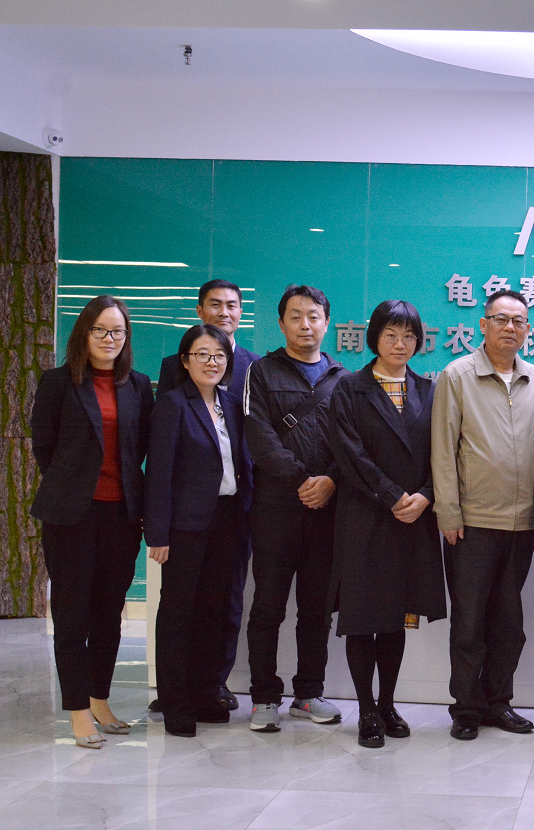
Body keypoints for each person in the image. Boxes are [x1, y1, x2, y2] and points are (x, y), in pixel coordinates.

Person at [29, 295, 154, 749]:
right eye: (100, 329)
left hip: (121, 515)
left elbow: (141, 446)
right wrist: (75, 482)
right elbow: (43, 444)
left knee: (108, 615)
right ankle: (78, 711)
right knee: (72, 614)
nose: (109, 338)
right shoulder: (58, 382)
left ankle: (100, 699)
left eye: (118, 331)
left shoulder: (138, 385)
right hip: (71, 517)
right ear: (84, 333)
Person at [328, 300, 447, 749]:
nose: (401, 344)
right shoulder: (349, 388)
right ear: (374, 337)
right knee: (363, 618)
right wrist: (391, 494)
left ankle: (388, 703)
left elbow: (445, 452)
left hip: (413, 519)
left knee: (396, 618)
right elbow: (349, 452)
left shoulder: (429, 389)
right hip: (365, 517)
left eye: (409, 336)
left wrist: (427, 495)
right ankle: (366, 710)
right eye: (391, 335)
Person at [432, 289, 534, 740]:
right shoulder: (457, 375)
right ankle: (466, 708)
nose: (509, 327)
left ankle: (499, 702)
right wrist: (448, 511)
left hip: (522, 524)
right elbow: (443, 449)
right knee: (468, 623)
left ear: (528, 330)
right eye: (501, 319)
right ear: (483, 325)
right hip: (471, 524)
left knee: (508, 624)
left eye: (518, 321)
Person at [243, 284, 349, 732]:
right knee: (268, 606)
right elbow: (258, 436)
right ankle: (264, 697)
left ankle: (308, 693)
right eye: (295, 316)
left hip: (326, 510)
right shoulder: (261, 372)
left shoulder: (343, 378)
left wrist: (330, 481)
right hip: (275, 507)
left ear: (327, 322)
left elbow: (353, 442)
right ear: (281, 323)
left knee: (317, 610)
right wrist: (302, 479)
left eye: (314, 316)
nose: (306, 325)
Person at [155, 278, 260, 712]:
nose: (224, 312)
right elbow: (162, 458)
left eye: (232, 305)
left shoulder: (253, 368)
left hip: (233, 512)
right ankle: (176, 694)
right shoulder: (173, 379)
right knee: (182, 605)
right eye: (214, 304)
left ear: (241, 313)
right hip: (188, 513)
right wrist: (158, 527)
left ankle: (213, 684)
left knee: (224, 603)